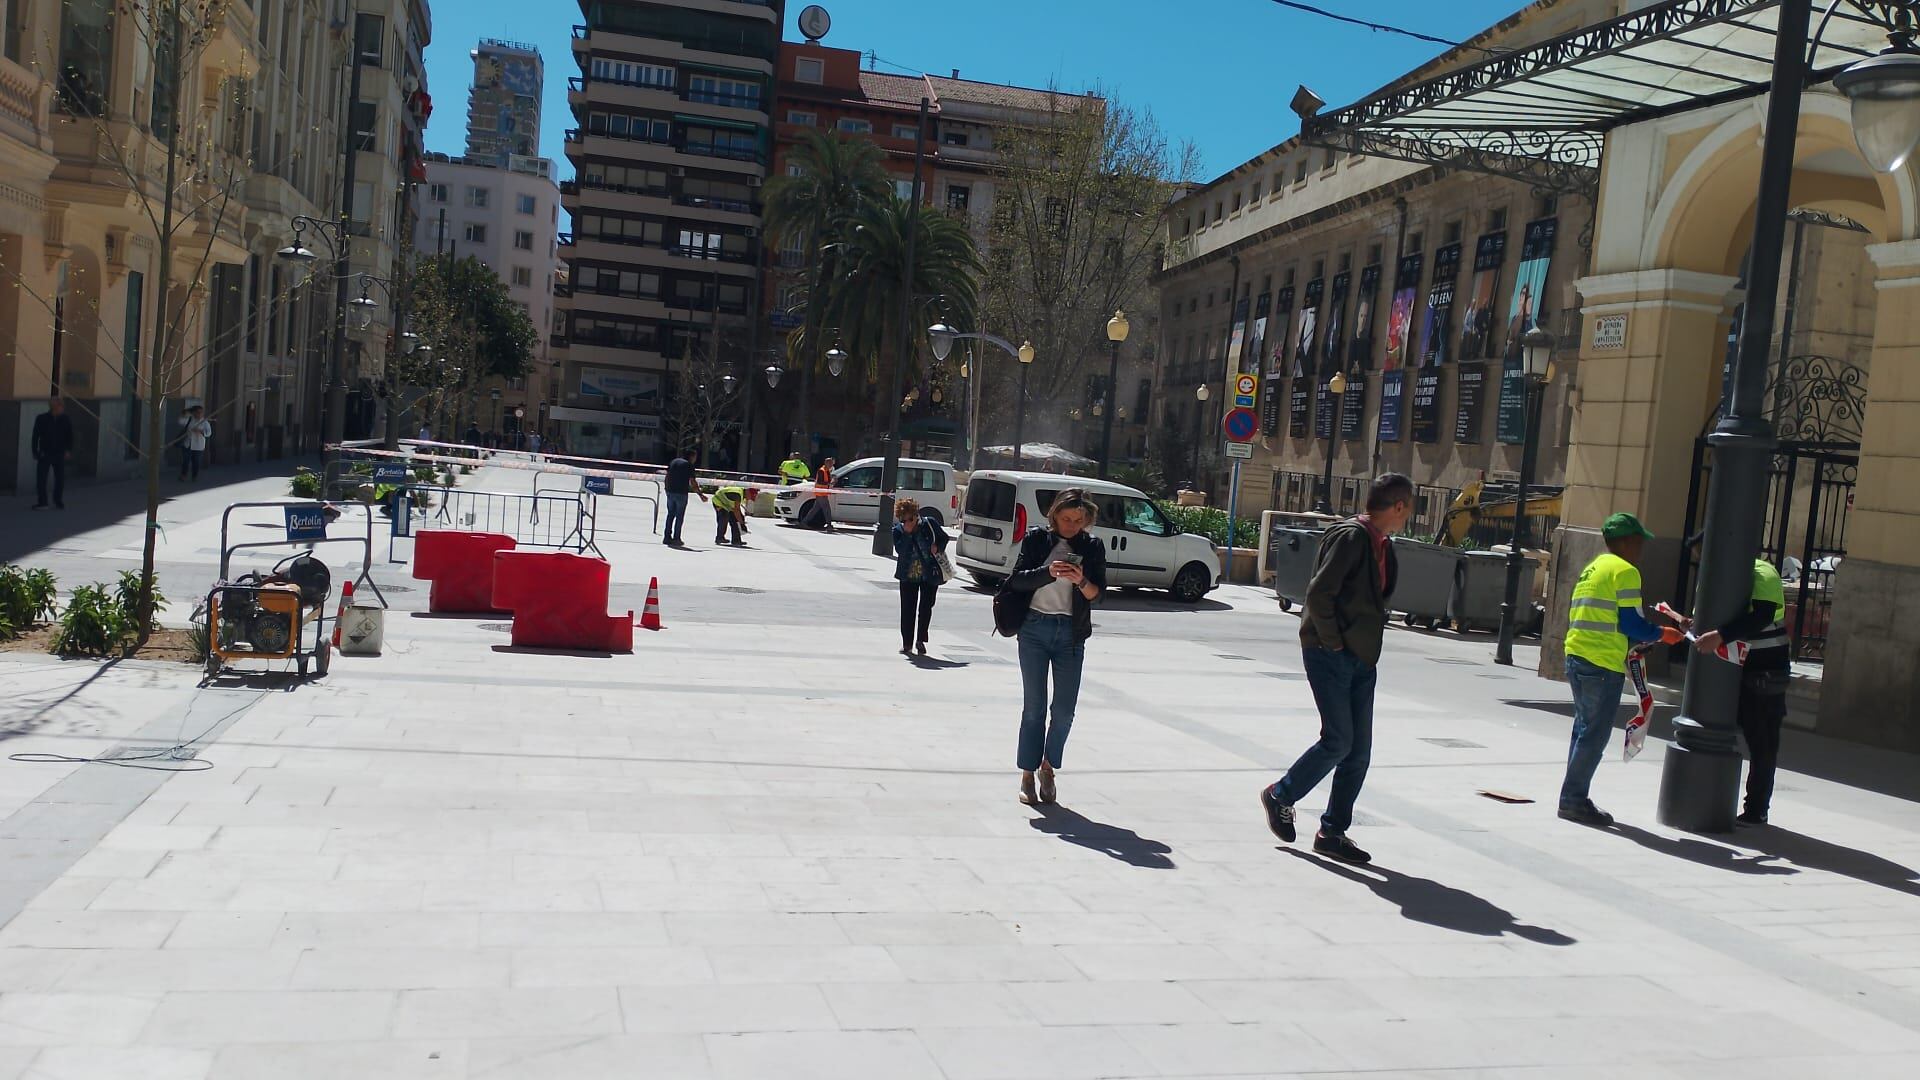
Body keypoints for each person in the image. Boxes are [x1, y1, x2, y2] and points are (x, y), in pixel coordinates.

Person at [1260, 474, 1413, 865]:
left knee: (1358, 751)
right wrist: (1332, 642)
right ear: (1398, 507)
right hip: (1331, 653)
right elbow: (1319, 593)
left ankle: (1332, 832)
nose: (1408, 515)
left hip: (1362, 659)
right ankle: (1281, 794)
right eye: (1408, 508)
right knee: (1338, 740)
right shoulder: (1350, 537)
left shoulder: (1383, 544)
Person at [1559, 512, 1682, 827]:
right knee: (1593, 736)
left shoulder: (1593, 567)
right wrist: (1661, 634)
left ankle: (1573, 798)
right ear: (1626, 542)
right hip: (1601, 663)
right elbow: (1629, 622)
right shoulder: (1626, 571)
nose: (1642, 547)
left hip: (1577, 655)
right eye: (1639, 540)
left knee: (1582, 730)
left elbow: (1609, 619)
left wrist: (1639, 638)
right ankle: (1573, 801)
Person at [998, 489, 1107, 806]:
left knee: (1063, 712)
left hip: (1070, 634)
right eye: (1066, 519)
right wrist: (1047, 573)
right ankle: (1027, 774)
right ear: (1054, 516)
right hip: (1034, 628)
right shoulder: (1036, 541)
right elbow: (1015, 580)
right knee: (1034, 709)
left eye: (1078, 520)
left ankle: (1048, 767)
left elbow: (1099, 596)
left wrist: (1081, 581)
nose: (1072, 526)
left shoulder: (1092, 547)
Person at [1692, 554, 1791, 826]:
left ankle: (1757, 808)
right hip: (1730, 663)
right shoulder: (1716, 573)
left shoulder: (1763, 573)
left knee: (1763, 740)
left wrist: (1719, 635)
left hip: (1764, 663)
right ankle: (1721, 799)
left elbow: (1763, 615)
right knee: (1720, 727)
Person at [891, 498, 949, 657]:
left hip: (928, 574)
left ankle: (921, 640)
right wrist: (908, 534)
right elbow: (900, 550)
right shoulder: (898, 531)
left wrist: (938, 547)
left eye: (910, 518)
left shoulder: (929, 523)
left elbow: (944, 537)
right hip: (908, 575)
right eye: (904, 520)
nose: (907, 522)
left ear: (916, 515)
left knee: (926, 608)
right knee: (907, 609)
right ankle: (907, 643)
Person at [30, 397, 74, 510]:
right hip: (45, 453)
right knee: (41, 479)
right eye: (61, 406)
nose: (62, 408)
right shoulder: (41, 418)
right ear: (55, 407)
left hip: (59, 453)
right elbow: (35, 436)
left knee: (60, 479)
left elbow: (70, 436)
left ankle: (58, 500)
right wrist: (35, 451)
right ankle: (43, 502)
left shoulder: (66, 419)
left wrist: (68, 450)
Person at [662, 450, 705, 547]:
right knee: (679, 516)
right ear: (691, 456)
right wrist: (700, 494)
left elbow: (667, 476)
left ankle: (667, 537)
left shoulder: (674, 461)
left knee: (670, 514)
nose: (695, 459)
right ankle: (676, 538)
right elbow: (693, 482)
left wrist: (666, 488)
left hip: (670, 491)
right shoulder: (689, 465)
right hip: (681, 493)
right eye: (695, 457)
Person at [177, 405, 212, 481]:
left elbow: (209, 433)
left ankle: (194, 476)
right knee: (186, 460)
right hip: (187, 444)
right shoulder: (189, 420)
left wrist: (200, 431)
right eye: (197, 412)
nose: (199, 414)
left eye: (201, 412)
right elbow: (180, 421)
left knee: (196, 462)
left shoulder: (205, 422)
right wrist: (185, 414)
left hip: (198, 445)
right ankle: (184, 475)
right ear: (194, 413)